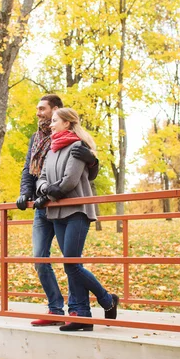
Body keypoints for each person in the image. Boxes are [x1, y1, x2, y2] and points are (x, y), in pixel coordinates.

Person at [16, 94, 99, 326]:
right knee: (39, 258)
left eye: (42, 109)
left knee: (71, 262)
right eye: (37, 108)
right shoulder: (37, 139)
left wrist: (93, 161)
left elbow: (84, 174)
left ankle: (78, 310)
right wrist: (26, 192)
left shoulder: (73, 140)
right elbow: (30, 169)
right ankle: (55, 310)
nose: (39, 113)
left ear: (56, 111)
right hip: (42, 206)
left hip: (64, 205)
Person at [35, 107, 118, 332]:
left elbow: (70, 182)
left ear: (67, 124)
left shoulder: (78, 147)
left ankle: (107, 300)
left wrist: (47, 195)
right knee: (72, 265)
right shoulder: (52, 149)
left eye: (54, 121)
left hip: (77, 212)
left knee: (71, 265)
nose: (51, 125)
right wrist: (43, 189)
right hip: (58, 214)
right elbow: (41, 177)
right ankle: (82, 314)